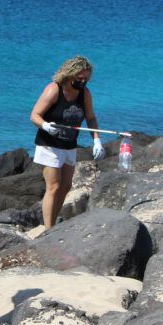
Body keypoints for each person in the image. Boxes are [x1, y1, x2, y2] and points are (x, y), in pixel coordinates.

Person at [30, 56, 106, 229]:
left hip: (69, 145)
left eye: (86, 78)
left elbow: (91, 118)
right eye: (79, 78)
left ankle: (53, 222)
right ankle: (47, 230)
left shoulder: (84, 93)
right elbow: (34, 115)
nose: (83, 81)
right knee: (54, 186)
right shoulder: (54, 90)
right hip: (49, 144)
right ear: (69, 75)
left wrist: (97, 141)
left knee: (65, 187)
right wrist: (45, 126)